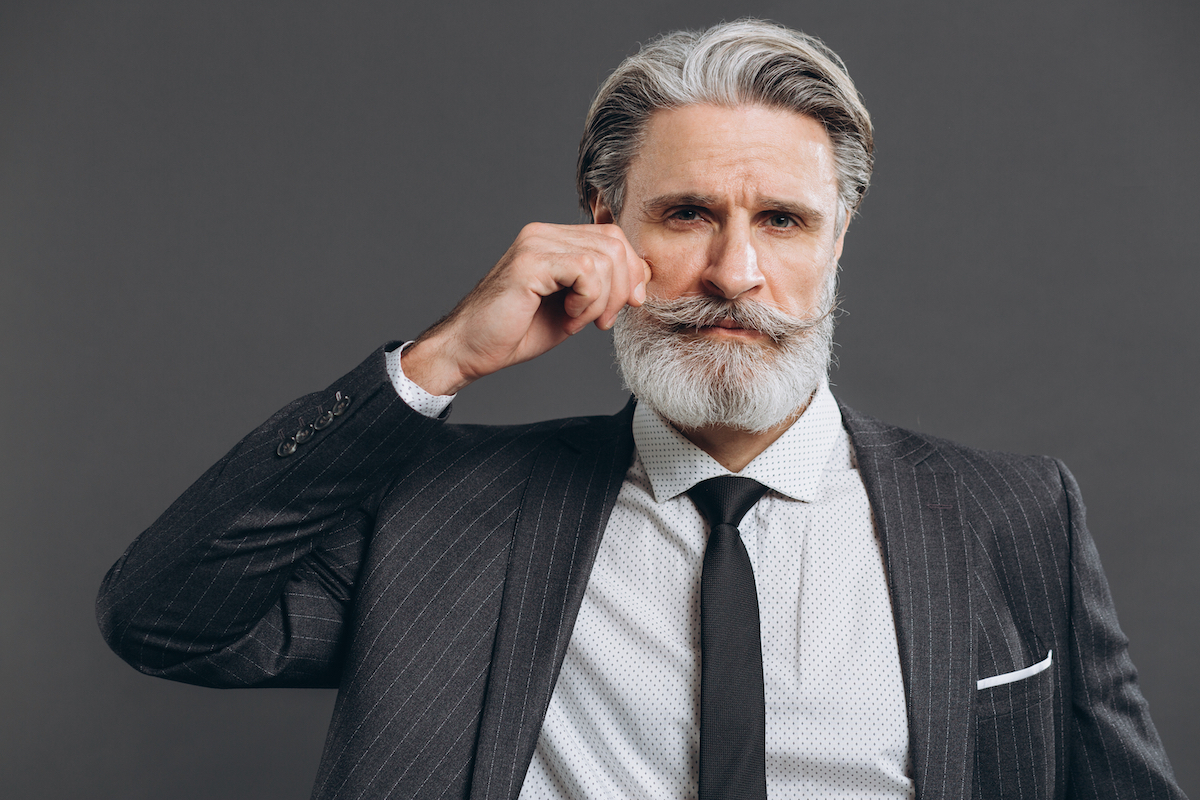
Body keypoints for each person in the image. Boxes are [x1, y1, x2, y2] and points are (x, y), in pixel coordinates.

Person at [97, 19, 1186, 800]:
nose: (735, 271)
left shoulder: (1014, 514)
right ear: (602, 219)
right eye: (687, 214)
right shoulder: (441, 510)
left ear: (839, 239)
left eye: (785, 221)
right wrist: (437, 363)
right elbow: (166, 618)